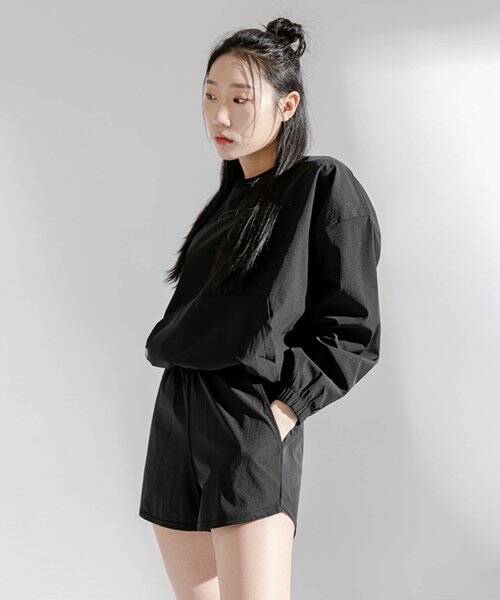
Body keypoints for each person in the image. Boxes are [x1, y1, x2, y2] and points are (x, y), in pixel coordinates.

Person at [138, 17, 382, 600]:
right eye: (210, 96)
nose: (219, 116)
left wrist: (285, 408)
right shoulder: (229, 202)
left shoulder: (322, 184)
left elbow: (354, 328)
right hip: (178, 411)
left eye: (240, 100)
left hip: (246, 413)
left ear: (287, 105)